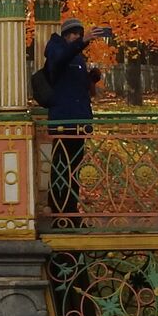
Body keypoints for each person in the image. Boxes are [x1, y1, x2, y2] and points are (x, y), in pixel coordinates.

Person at [44, 17, 106, 227]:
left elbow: (71, 84)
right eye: (76, 35)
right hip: (65, 120)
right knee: (63, 166)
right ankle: (61, 211)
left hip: (77, 119)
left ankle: (70, 210)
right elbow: (59, 62)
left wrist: (91, 79)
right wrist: (84, 41)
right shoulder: (55, 48)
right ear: (67, 35)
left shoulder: (74, 54)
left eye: (80, 34)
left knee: (73, 167)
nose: (78, 38)